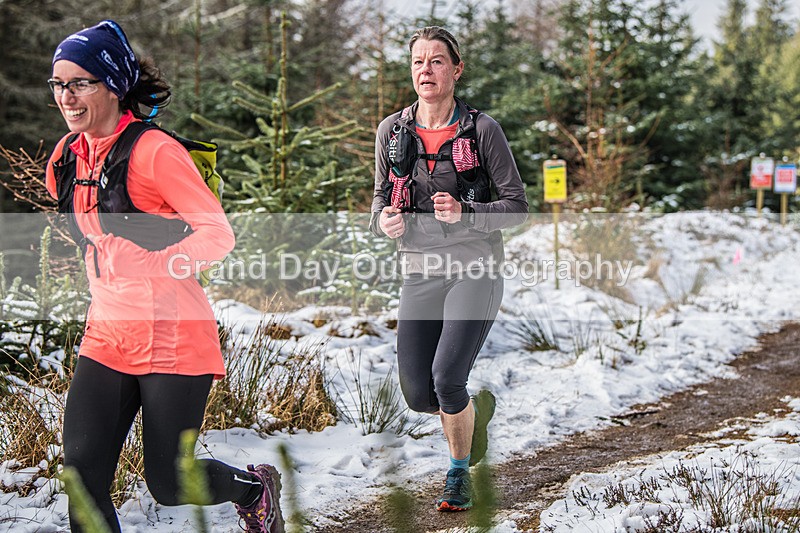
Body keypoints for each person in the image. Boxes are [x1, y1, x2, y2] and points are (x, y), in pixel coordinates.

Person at [44, 20, 283, 533]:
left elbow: (217, 234)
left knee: (170, 484)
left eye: (81, 82)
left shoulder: (156, 152)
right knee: (82, 479)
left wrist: (153, 263)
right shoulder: (67, 157)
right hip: (107, 332)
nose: (67, 95)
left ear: (113, 85)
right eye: (59, 84)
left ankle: (255, 489)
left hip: (172, 333)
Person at [370, 26, 528, 511]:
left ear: (456, 70)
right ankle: (475, 413)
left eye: (437, 61)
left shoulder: (482, 130)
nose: (426, 70)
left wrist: (466, 213)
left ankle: (458, 473)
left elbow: (518, 207)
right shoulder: (391, 131)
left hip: (475, 269)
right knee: (419, 394)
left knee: (445, 378)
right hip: (420, 270)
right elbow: (378, 198)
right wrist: (384, 221)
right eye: (418, 61)